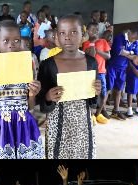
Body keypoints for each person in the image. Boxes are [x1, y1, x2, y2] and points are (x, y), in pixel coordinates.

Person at [36, 15, 102, 159]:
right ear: (57, 37)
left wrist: (97, 92)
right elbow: (40, 100)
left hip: (83, 125)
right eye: (62, 33)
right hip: (58, 125)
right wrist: (47, 97)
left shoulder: (91, 63)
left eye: (73, 32)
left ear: (82, 35)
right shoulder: (47, 65)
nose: (67, 37)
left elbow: (92, 101)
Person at [0, 20, 44, 159]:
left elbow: (30, 106)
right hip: (2, 125)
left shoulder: (27, 67)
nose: (11, 44)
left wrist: (32, 94)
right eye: (5, 40)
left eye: (16, 40)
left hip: (23, 124)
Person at [82, 23, 111, 124]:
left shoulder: (103, 41)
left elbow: (108, 56)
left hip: (101, 72)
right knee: (90, 94)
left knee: (102, 94)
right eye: (92, 29)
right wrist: (92, 43)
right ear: (87, 32)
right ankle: (90, 115)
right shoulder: (85, 43)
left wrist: (98, 50)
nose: (95, 31)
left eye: (97, 29)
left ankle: (98, 114)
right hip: (90, 73)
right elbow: (89, 56)